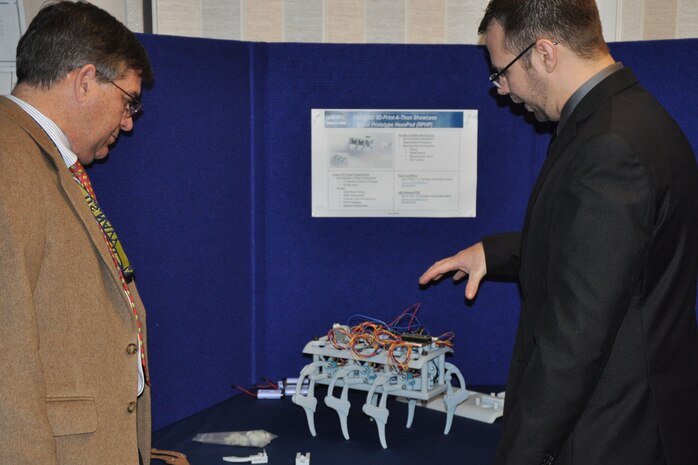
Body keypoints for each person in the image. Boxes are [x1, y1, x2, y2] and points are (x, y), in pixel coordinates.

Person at [419, 1, 698, 464]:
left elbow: (574, 345)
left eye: (503, 71)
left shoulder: (609, 148)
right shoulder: (632, 117)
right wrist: (497, 253)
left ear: (545, 54)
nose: (502, 89)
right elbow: (608, 255)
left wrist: (517, 456)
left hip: (613, 436)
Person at [0, 1, 154, 464]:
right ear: (85, 81)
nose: (128, 121)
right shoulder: (8, 160)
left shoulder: (39, 155)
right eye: (128, 100)